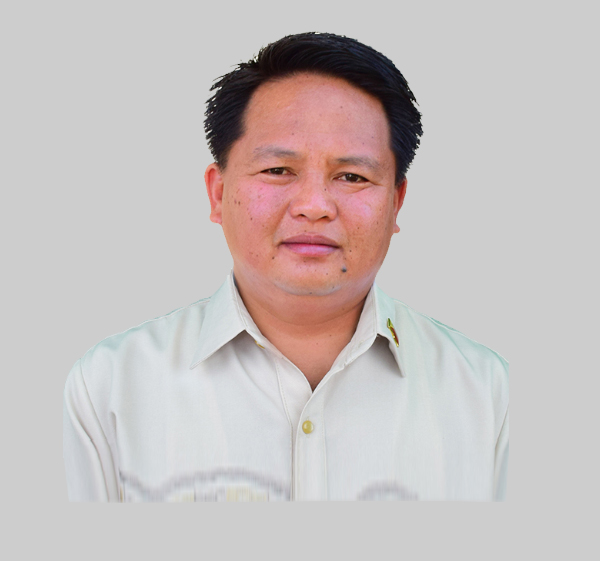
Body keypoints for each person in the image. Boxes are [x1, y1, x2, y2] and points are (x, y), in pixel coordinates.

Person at [63, 32, 509, 501]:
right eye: (278, 170)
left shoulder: (488, 394)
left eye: (352, 176)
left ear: (396, 203)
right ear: (218, 194)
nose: (314, 206)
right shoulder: (109, 388)